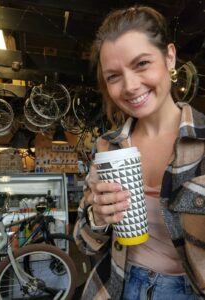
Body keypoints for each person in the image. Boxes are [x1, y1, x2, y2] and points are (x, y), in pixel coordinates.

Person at [74, 5, 205, 300]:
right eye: (113, 76)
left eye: (142, 63)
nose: (130, 86)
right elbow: (85, 243)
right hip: (119, 285)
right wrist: (97, 216)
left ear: (169, 56)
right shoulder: (108, 146)